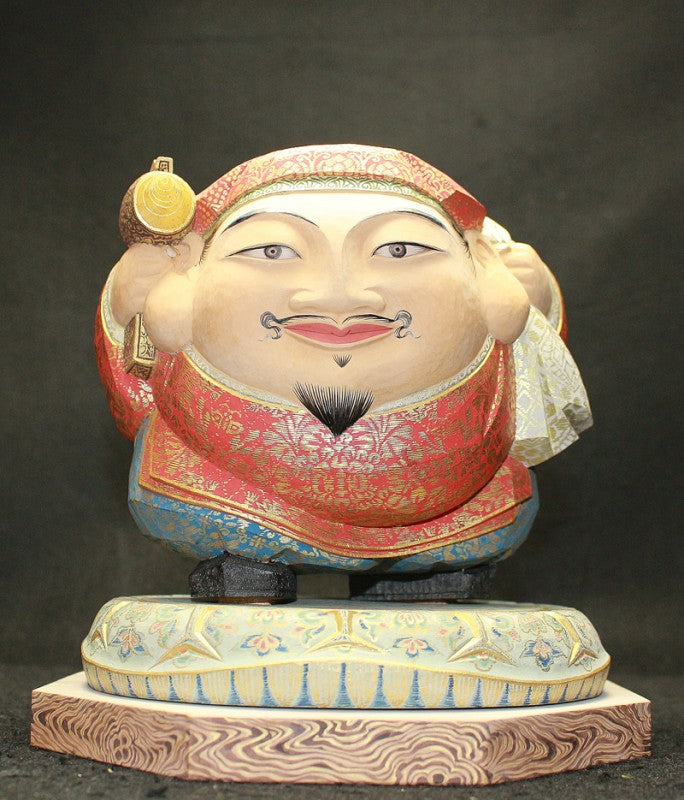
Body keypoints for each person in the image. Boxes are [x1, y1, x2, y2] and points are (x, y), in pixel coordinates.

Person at [96, 144, 591, 602]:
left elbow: (534, 381)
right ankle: (245, 572)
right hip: (228, 500)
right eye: (273, 251)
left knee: (479, 526)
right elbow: (136, 396)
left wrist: (538, 300)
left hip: (461, 509)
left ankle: (429, 574)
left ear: (478, 264)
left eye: (398, 249)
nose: (339, 295)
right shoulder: (172, 308)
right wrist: (126, 303)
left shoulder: (495, 289)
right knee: (204, 517)